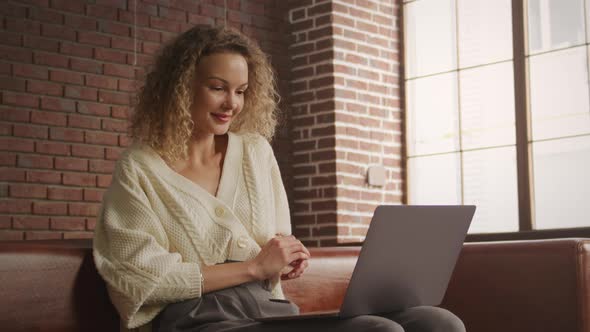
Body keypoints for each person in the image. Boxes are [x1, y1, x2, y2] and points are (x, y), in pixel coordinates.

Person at [93, 26, 466, 332]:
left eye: (240, 91)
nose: (231, 105)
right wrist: (254, 268)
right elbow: (139, 279)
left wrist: (287, 255)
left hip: (265, 310)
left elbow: (273, 245)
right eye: (218, 88)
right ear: (181, 86)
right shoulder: (139, 168)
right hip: (195, 321)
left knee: (438, 322)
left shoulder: (255, 151)